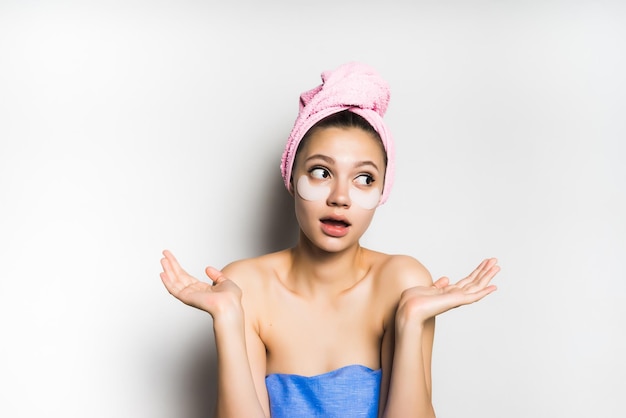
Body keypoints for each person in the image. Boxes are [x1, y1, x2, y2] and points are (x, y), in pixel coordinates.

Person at [159, 62, 500, 418]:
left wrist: (411, 320)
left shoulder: (402, 282)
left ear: (383, 190)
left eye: (364, 178)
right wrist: (227, 319)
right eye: (321, 172)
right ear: (291, 176)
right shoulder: (244, 287)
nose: (341, 197)